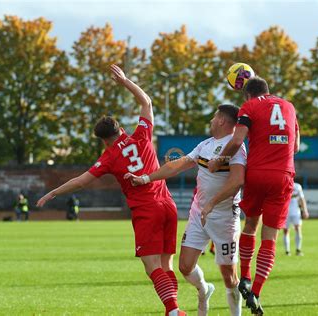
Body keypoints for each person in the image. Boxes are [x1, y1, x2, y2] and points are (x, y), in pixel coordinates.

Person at [36, 65, 185, 316]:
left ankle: (173, 311)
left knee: (151, 267)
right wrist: (125, 81)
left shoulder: (109, 157)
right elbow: (146, 101)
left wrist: (52, 193)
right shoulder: (142, 135)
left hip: (146, 210)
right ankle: (174, 309)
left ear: (104, 140)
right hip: (168, 205)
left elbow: (81, 181)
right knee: (166, 264)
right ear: (120, 129)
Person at [126, 104, 246, 316]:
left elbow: (237, 181)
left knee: (229, 275)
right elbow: (179, 164)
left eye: (214, 117)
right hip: (199, 214)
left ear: (221, 121)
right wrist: (146, 178)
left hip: (224, 218)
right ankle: (204, 289)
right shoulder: (205, 145)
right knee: (185, 266)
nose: (211, 121)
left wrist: (213, 202)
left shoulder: (236, 147)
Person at [208, 76, 300, 315]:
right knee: (270, 237)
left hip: (258, 173)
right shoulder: (289, 106)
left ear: (246, 95)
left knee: (250, 226)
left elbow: (237, 140)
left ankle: (245, 276)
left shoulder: (249, 106)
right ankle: (257, 292)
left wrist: (219, 159)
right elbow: (296, 146)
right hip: (283, 175)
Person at [283, 182, 309, 256]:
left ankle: (298, 249)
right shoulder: (283, 184)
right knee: (286, 231)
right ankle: (287, 251)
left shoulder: (297, 186)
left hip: (296, 212)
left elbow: (302, 199)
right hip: (285, 212)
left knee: (298, 228)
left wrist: (305, 211)